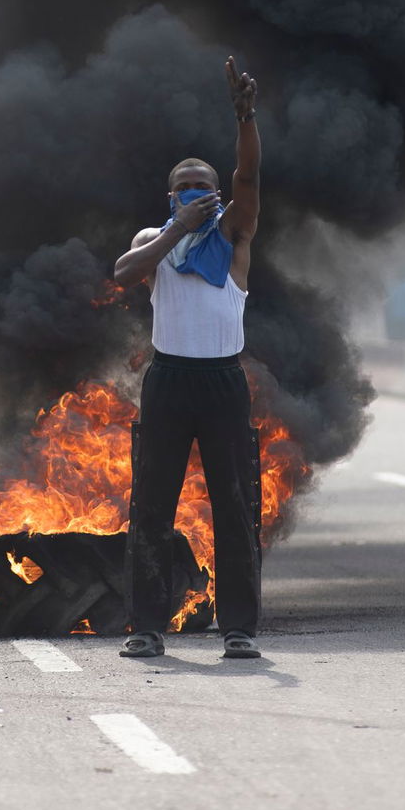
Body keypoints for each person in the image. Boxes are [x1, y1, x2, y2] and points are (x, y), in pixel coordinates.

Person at [112, 57, 263, 660]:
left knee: (234, 507)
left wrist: (245, 117)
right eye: (184, 187)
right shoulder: (154, 242)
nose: (195, 192)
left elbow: (251, 175)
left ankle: (239, 630)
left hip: (222, 382)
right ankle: (147, 628)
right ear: (169, 196)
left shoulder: (235, 237)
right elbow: (122, 273)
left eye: (204, 185)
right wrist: (176, 229)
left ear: (218, 194)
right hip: (169, 380)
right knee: (151, 507)